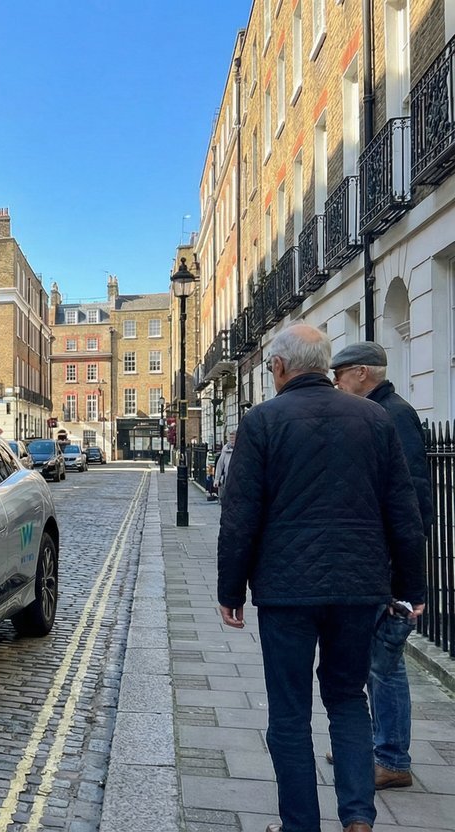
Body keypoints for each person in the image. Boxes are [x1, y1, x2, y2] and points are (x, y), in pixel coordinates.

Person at [216, 324, 426, 832]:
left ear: (279, 367)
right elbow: (403, 511)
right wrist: (410, 589)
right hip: (359, 587)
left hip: (286, 591)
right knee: (348, 700)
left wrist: (231, 589)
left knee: (289, 714)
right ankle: (358, 820)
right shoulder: (374, 418)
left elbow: (240, 515)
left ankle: (300, 825)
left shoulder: (263, 421)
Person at [332, 341, 431, 790]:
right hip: (375, 560)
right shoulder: (375, 413)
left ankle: (391, 758)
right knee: (372, 661)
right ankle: (374, 746)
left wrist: (402, 570)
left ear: (361, 373)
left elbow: (413, 498)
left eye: (339, 376)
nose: (336, 384)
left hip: (388, 563)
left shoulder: (394, 415)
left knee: (384, 663)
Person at [213, 430, 236, 500]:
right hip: (227, 477)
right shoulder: (225, 449)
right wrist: (217, 479)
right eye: (231, 438)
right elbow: (220, 465)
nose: (232, 440)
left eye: (233, 438)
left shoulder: (241, 449)